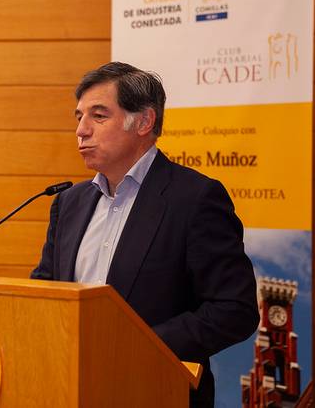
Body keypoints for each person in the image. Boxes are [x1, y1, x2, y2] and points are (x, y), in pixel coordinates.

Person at [30, 61, 259, 407]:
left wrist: (142, 346)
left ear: (144, 122)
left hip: (156, 391)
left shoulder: (194, 199)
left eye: (99, 115)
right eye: (78, 117)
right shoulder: (69, 203)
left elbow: (235, 309)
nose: (81, 130)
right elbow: (46, 289)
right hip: (71, 389)